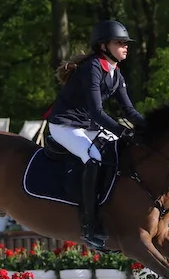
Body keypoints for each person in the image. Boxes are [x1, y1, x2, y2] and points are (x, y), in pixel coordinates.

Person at [47, 19, 146, 248]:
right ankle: (90, 225)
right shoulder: (92, 67)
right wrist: (122, 132)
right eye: (120, 42)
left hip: (86, 126)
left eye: (125, 43)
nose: (126, 46)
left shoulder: (116, 74)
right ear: (103, 46)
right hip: (65, 125)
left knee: (119, 153)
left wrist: (151, 129)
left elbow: (129, 110)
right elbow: (97, 111)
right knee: (94, 158)